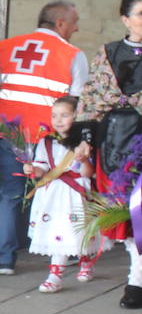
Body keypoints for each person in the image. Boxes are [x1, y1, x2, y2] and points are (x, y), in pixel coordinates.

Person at [0, 1, 87, 276]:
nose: (77, 27)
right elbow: (77, 102)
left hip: (11, 131)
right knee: (58, 193)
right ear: (60, 23)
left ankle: (4, 261)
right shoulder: (72, 54)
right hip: (51, 135)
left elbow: (1, 87)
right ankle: (59, 253)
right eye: (74, 22)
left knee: (9, 194)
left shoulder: (7, 47)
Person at [79, 0, 142, 309]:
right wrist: (85, 142)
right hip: (118, 142)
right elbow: (91, 101)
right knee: (132, 214)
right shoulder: (109, 53)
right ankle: (136, 281)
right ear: (125, 20)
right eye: (141, 14)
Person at [25, 96, 101, 292]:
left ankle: (79, 264)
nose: (58, 120)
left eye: (65, 115)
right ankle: (57, 274)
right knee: (59, 231)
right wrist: (33, 170)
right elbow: (42, 166)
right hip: (52, 194)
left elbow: (88, 172)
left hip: (75, 192)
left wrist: (83, 160)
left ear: (77, 116)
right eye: (54, 115)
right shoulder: (46, 142)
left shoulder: (85, 142)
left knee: (76, 230)